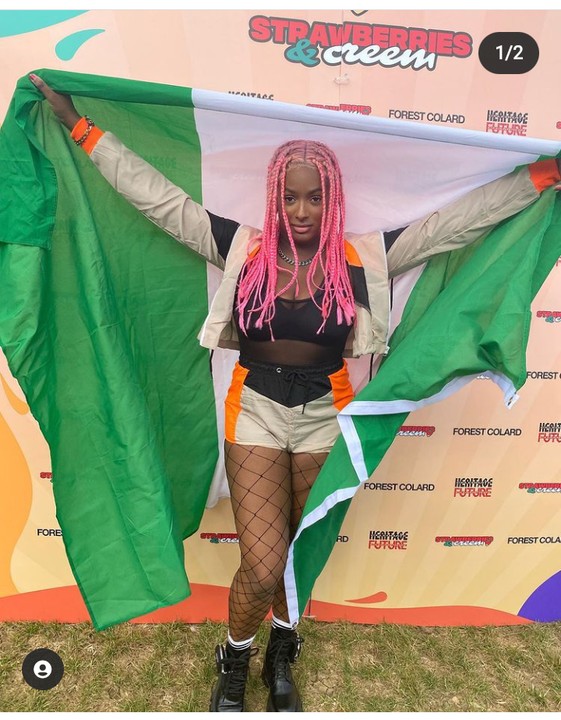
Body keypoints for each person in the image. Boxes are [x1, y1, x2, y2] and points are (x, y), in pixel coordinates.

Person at [29, 73, 561, 713]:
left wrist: (541, 177)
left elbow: (457, 223)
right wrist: (82, 129)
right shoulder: (242, 250)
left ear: (332, 200)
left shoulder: (364, 257)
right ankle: (235, 658)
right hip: (254, 409)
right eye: (290, 197)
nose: (301, 210)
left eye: (314, 198)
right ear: (274, 198)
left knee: (297, 552)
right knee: (261, 563)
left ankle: (282, 651)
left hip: (325, 414)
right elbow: (159, 200)